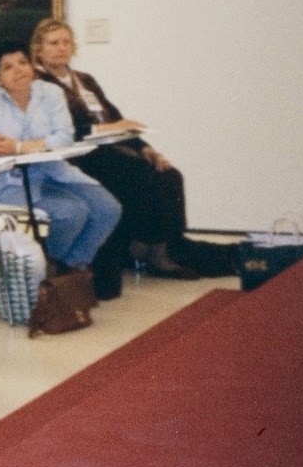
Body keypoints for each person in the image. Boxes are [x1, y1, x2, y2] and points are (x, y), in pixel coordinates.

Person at [30, 18, 210, 286]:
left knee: (169, 175)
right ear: (39, 50)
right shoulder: (40, 85)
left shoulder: (84, 80)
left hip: (109, 149)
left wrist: (146, 148)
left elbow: (115, 117)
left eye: (66, 42)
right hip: (78, 156)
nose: (61, 48)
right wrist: (112, 128)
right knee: (138, 174)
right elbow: (67, 130)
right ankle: (141, 246)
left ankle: (160, 248)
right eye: (53, 43)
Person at [0, 40, 122, 277]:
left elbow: (64, 137)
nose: (19, 70)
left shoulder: (51, 93)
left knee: (109, 208)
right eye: (8, 67)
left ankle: (65, 266)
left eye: (23, 62)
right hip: (9, 182)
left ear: (32, 67)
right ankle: (53, 271)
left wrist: (20, 147)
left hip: (54, 171)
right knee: (72, 212)